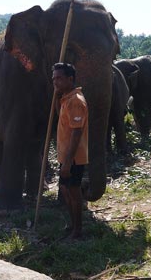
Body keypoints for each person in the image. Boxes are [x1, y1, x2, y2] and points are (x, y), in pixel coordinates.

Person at [52, 62, 89, 239]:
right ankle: (72, 225)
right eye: (54, 79)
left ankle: (78, 230)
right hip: (65, 155)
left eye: (59, 78)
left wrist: (67, 162)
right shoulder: (66, 98)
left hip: (73, 157)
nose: (55, 82)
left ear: (70, 79)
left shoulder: (76, 101)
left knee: (74, 193)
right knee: (66, 191)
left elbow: (76, 133)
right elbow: (63, 120)